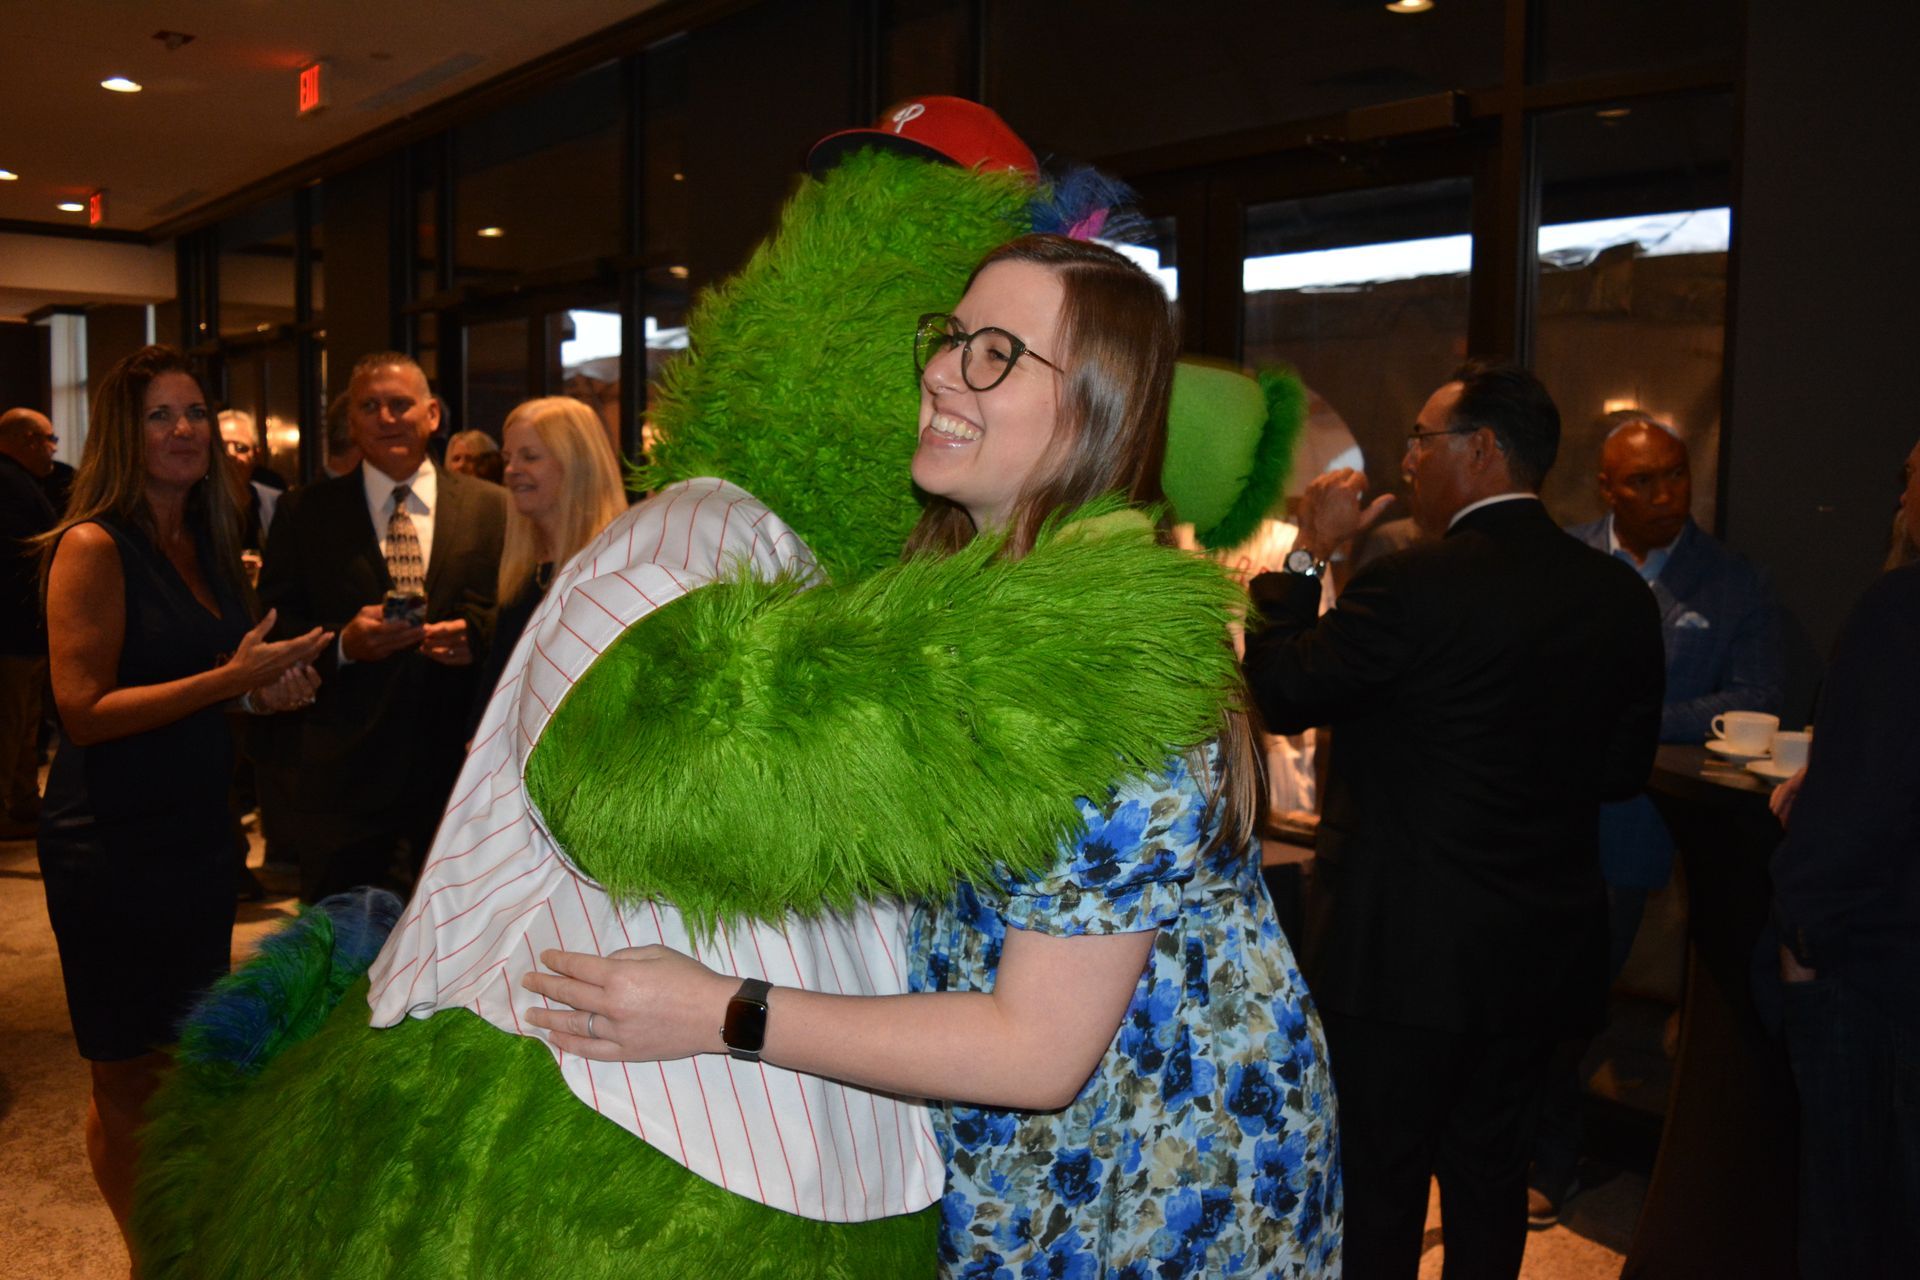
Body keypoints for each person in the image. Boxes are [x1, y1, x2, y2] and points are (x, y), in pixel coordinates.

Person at [521, 235, 1343, 1278]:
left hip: (1147, 1167)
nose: (944, 369)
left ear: (1092, 405)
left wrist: (717, 1008)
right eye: (951, 337)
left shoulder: (1105, 658)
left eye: (997, 352)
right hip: (1038, 1148)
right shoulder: (979, 584)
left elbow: (1035, 1051)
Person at [1240, 360, 1664, 1279]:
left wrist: (1309, 554)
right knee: (1489, 1170)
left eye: (1422, 441)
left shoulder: (1409, 586)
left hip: (1402, 951)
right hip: (1540, 950)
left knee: (1382, 1183)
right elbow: (1624, 771)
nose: (1408, 460)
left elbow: (1278, 688)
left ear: (1482, 450)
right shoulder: (1616, 594)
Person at [33, 345, 329, 1259]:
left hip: (200, 840)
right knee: (124, 1074)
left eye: (196, 413)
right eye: (162, 416)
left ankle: (167, 1234)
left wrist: (261, 690)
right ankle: (149, 1257)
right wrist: (222, 682)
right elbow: (83, 712)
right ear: (127, 433)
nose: (186, 431)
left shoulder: (205, 538)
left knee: (183, 1065)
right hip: (111, 846)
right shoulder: (91, 544)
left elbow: (203, 680)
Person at [1525, 411, 1786, 1218]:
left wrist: (1635, 714)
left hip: (1642, 830)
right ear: (1607, 487)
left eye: (1677, 473)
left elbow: (1756, 697)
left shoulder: (1728, 579)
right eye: (1645, 479)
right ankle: (1521, 1148)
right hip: (1535, 817)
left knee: (1579, 1003)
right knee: (1527, 995)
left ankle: (1551, 1159)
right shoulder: (1563, 556)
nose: (1668, 492)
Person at [258, 352, 506, 903]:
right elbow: (276, 628)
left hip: (460, 783)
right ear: (352, 423)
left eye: (401, 404)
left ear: (434, 414)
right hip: (344, 783)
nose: (387, 418)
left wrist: (478, 637)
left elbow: (521, 614)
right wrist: (345, 643)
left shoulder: (494, 510)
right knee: (337, 958)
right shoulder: (304, 513)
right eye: (370, 407)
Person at [1762, 432, 1920, 1280]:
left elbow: (1856, 824)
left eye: (1912, 478)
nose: (1898, 499)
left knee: (1858, 1229)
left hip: (1882, 982)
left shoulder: (1899, 611)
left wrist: (1798, 944)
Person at [467, 397, 626, 736]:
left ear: (577, 465)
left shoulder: (612, 570)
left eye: (530, 457)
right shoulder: (521, 570)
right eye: (508, 458)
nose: (511, 471)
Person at [0, 407, 60, 837]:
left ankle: (21, 801)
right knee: (10, 725)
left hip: (27, 630)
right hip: (12, 629)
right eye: (47, 440)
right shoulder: (7, 484)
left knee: (24, 725)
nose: (52, 449)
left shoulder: (22, 483)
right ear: (25, 440)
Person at [216, 409, 280, 558]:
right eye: (223, 447)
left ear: (256, 455)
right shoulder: (194, 505)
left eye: (241, 448)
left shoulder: (275, 503)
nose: (231, 454)